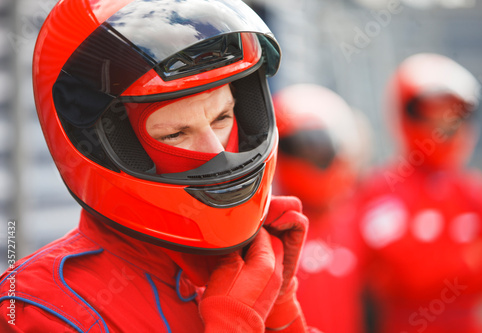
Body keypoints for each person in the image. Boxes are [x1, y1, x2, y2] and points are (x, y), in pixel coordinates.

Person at [0, 0, 310, 332]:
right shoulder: (39, 306)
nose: (215, 152)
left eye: (222, 117)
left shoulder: (247, 269)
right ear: (111, 145)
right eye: (176, 133)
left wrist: (280, 310)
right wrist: (231, 323)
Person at [356, 53, 482, 333]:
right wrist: (465, 261)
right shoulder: (382, 188)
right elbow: (391, 277)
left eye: (454, 115)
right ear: (406, 111)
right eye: (433, 114)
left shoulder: (474, 191)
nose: (444, 127)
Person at [272, 84, 372, 333]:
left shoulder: (358, 219)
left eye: (322, 149)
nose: (316, 159)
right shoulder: (263, 227)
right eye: (305, 148)